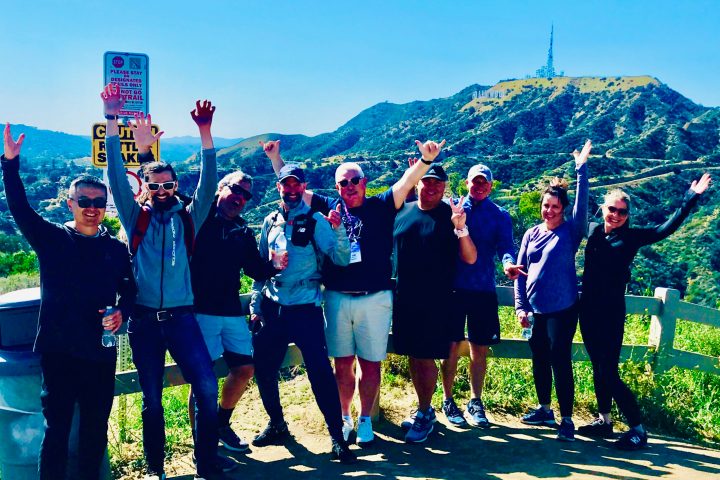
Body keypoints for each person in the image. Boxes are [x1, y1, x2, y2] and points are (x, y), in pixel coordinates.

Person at [260, 138, 443, 445]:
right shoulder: (330, 207)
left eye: (355, 181)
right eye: (343, 183)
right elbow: (292, 189)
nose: (350, 187)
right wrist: (275, 158)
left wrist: (425, 161)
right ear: (337, 187)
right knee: (342, 363)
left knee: (371, 364)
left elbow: (406, 182)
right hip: (336, 297)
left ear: (364, 183)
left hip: (375, 297)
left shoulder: (383, 205)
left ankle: (366, 418)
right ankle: (344, 417)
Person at [101, 84, 229, 480]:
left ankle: (206, 462)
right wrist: (111, 119)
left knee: (207, 389)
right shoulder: (133, 216)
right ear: (146, 189)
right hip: (142, 321)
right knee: (152, 401)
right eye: (153, 185)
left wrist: (205, 131)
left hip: (182, 318)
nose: (161, 191)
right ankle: (157, 471)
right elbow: (115, 174)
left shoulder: (189, 216)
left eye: (167, 185)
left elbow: (210, 181)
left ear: (176, 186)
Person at [1, 123, 136, 480]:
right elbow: (19, 208)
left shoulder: (116, 249)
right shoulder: (52, 240)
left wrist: (122, 311)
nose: (92, 209)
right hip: (59, 352)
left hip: (100, 353)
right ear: (71, 204)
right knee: (57, 432)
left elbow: (131, 292)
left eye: (98, 203)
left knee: (95, 430)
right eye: (84, 202)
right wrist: (10, 164)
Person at [578, 173, 712, 450]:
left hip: (611, 314)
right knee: (597, 369)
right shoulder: (592, 230)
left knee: (609, 372)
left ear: (628, 215)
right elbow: (575, 213)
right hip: (587, 311)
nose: (616, 215)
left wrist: (691, 198)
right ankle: (604, 422)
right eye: (612, 209)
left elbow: (665, 229)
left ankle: (638, 429)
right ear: (603, 208)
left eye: (622, 212)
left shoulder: (631, 238)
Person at [249, 164, 357, 463]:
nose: (292, 190)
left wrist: (338, 230)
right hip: (273, 306)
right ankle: (277, 423)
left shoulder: (316, 221)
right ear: (278, 188)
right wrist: (256, 305)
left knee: (320, 372)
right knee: (264, 368)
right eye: (287, 185)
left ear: (304, 186)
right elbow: (261, 270)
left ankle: (337, 436)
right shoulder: (269, 223)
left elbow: (342, 259)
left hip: (305, 307)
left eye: (297, 185)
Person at [188, 169, 287, 452]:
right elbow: (166, 194)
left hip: (231, 311)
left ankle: (220, 423)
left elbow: (254, 268)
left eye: (246, 196)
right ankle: (202, 446)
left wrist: (274, 266)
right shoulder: (197, 218)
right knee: (202, 379)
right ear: (220, 188)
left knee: (244, 368)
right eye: (236, 191)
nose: (240, 199)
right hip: (200, 311)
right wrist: (146, 155)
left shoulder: (242, 231)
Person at [393, 164, 478, 443]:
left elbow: (470, 258)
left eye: (437, 184)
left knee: (425, 356)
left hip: (435, 301)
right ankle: (424, 410)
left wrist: (461, 228)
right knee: (413, 356)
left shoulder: (450, 216)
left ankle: (425, 412)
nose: (430, 188)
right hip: (403, 299)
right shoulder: (402, 211)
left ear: (444, 188)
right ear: (417, 183)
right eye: (425, 182)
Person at [514, 140, 592, 442]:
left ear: (562, 209)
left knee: (560, 359)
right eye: (546, 205)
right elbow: (519, 273)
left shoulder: (571, 232)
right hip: (534, 310)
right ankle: (545, 409)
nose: (549, 210)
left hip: (562, 308)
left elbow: (582, 206)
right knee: (539, 358)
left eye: (555, 206)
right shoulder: (531, 233)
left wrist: (581, 169)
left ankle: (567, 419)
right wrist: (521, 307)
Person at [441, 164, 523, 428]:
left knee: (479, 348)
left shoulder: (500, 215)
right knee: (450, 346)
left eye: (483, 183)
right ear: (467, 183)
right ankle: (448, 399)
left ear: (491, 185)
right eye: (474, 182)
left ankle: (476, 401)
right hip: (453, 288)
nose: (479, 186)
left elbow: (505, 247)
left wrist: (509, 264)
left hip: (483, 289)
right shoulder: (453, 208)